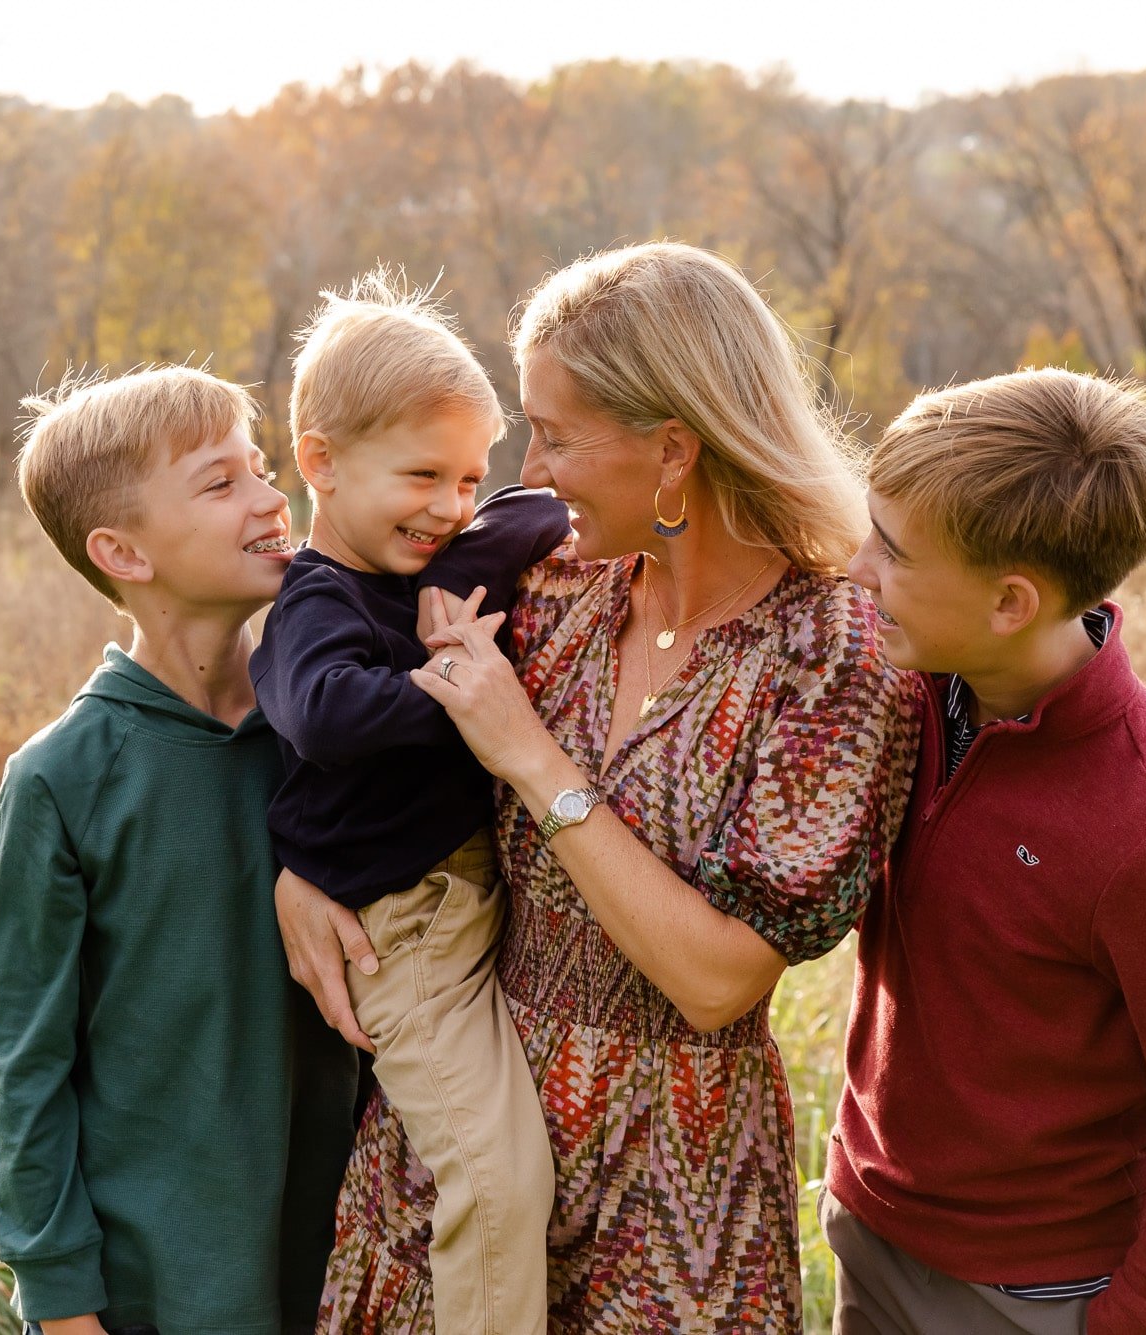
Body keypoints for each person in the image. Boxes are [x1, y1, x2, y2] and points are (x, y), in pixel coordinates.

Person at [276, 242, 920, 1332]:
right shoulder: (552, 587)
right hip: (459, 1157)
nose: (530, 468)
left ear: (672, 449)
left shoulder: (830, 653)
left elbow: (715, 983)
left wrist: (529, 757)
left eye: (557, 435)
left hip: (668, 1199)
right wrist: (303, 867)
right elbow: (327, 646)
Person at [825, 368, 1146, 1334]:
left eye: (893, 551)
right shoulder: (916, 686)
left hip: (1026, 1295)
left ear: (1010, 604)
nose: (857, 567)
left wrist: (1128, 1322)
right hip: (870, 1228)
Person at [0, 367, 358, 1335]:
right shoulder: (63, 780)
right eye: (219, 482)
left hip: (336, 1263)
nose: (273, 498)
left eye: (261, 467)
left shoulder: (321, 734)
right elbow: (27, 1070)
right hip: (155, 1292)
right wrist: (60, 1302)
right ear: (122, 552)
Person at [250, 273, 572, 1335]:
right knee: (497, 1177)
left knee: (518, 1158)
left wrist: (475, 542)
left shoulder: (424, 565)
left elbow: (535, 507)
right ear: (320, 463)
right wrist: (463, 686)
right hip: (404, 933)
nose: (448, 505)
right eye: (422, 474)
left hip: (471, 911)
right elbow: (328, 719)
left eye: (466, 476)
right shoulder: (314, 603)